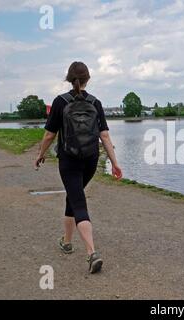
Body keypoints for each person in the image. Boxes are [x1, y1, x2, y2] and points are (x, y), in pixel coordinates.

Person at [34, 61, 123, 274]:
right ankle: (66, 241)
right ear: (88, 79)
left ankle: (92, 253)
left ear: (68, 78)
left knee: (78, 201)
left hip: (69, 160)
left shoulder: (60, 102)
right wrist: (114, 163)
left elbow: (49, 135)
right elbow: (105, 135)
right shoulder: (95, 102)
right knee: (73, 196)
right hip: (91, 159)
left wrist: (41, 155)